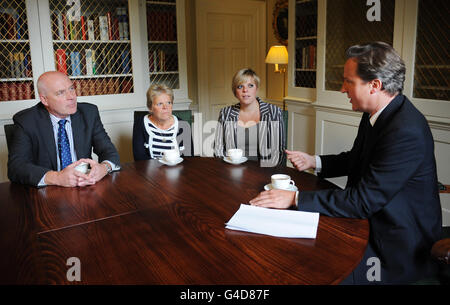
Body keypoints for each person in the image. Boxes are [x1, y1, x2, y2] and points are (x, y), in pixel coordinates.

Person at [249, 42, 442, 284]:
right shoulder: (376, 112)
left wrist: (294, 198)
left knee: (314, 270)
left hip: (396, 245)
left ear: (375, 85)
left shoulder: (406, 130)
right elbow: (356, 158)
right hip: (368, 222)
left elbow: (362, 202)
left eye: (348, 81)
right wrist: (314, 161)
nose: (342, 89)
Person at [7, 71, 120, 187]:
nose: (71, 97)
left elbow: (109, 152)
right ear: (44, 100)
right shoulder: (26, 121)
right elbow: (16, 167)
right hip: (48, 192)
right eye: (60, 93)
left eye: (71, 89)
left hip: (85, 186)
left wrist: (103, 168)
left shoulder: (88, 113)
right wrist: (57, 177)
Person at [214, 68, 286, 167]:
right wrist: (224, 170)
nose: (245, 90)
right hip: (232, 170)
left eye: (250, 85)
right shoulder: (226, 113)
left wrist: (268, 173)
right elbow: (218, 148)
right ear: (235, 91)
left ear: (257, 88)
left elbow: (279, 151)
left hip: (264, 171)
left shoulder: (273, 112)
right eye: (240, 86)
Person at [133, 84, 191, 160]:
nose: (165, 107)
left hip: (177, 170)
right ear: (150, 107)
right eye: (160, 104)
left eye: (168, 103)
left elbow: (189, 160)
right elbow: (139, 159)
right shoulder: (140, 124)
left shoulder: (183, 125)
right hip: (149, 171)